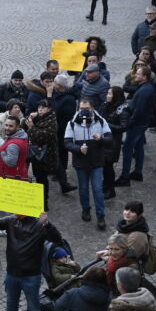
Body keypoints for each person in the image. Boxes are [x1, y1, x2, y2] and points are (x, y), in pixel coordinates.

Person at [64, 98, 112, 230]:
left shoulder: (101, 121)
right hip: (81, 162)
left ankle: (101, 216)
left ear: (92, 108)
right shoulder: (72, 123)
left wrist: (101, 139)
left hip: (97, 161)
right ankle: (86, 209)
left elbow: (110, 140)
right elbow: (67, 143)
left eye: (86, 108)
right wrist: (78, 149)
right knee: (83, 189)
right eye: (81, 109)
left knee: (97, 190)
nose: (83, 111)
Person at [115, 67, 156, 186]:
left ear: (144, 77)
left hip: (137, 124)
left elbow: (139, 110)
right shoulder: (145, 87)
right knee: (138, 147)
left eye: (138, 74)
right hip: (141, 123)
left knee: (127, 148)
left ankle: (125, 177)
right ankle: (137, 172)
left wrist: (129, 123)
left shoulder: (145, 90)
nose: (135, 75)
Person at [25, 100, 58, 210]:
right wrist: (31, 118)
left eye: (43, 107)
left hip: (45, 156)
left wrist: (31, 127)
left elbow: (43, 136)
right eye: (39, 107)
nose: (40, 109)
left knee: (42, 180)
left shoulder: (51, 121)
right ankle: (40, 200)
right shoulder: (40, 117)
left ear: (49, 109)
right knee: (39, 178)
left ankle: (44, 203)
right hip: (37, 154)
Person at [99, 86, 129, 199]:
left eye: (110, 94)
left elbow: (123, 126)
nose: (107, 95)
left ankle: (111, 190)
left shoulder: (122, 109)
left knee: (108, 166)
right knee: (104, 165)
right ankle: (106, 184)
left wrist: (106, 124)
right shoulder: (107, 104)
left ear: (115, 96)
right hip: (104, 140)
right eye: (107, 93)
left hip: (113, 143)